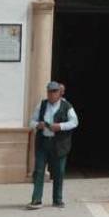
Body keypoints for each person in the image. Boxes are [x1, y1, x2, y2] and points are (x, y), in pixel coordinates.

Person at [29, 81, 79, 209]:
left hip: (59, 144)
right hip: (43, 142)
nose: (51, 94)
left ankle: (57, 199)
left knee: (59, 172)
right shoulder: (42, 104)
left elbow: (74, 122)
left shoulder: (66, 106)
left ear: (59, 93)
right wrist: (37, 125)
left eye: (54, 92)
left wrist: (60, 126)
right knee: (39, 170)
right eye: (49, 92)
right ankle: (36, 200)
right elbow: (32, 121)